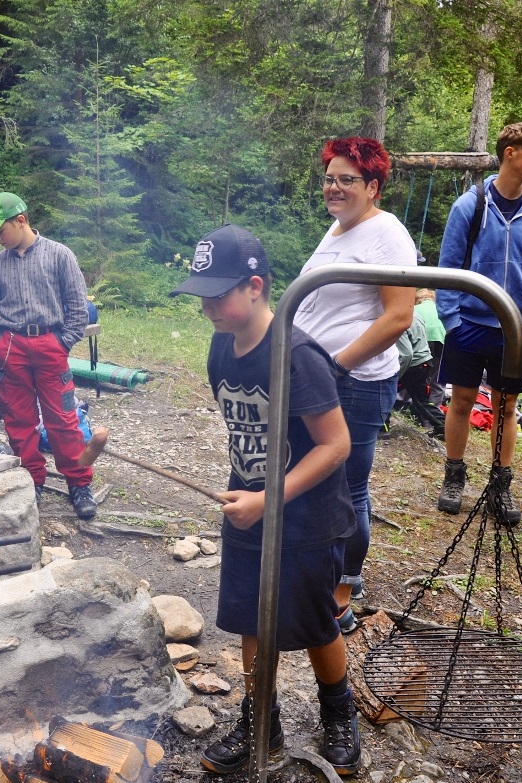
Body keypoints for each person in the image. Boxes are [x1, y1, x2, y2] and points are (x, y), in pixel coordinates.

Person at [169, 224, 360, 776]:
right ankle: (261, 721)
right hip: (251, 510)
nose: (207, 305)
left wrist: (268, 499)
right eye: (202, 292)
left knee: (318, 622)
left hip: (308, 518)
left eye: (218, 293)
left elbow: (336, 444)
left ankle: (338, 712)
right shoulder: (221, 346)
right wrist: (251, 500)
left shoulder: (296, 354)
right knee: (255, 622)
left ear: (255, 287)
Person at [292, 137, 416, 633]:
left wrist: (337, 366)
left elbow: (399, 316)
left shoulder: (386, 235)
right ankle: (319, 577)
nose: (334, 187)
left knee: (349, 491)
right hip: (320, 377)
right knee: (322, 483)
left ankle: (343, 593)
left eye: (347, 180)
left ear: (373, 187)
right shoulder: (340, 228)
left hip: (355, 383)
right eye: (329, 178)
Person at [435, 122, 522, 525]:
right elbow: (448, 267)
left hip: (517, 328)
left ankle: (499, 487)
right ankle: (454, 476)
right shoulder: (470, 206)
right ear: (510, 153)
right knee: (463, 401)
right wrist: (452, 321)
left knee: (506, 408)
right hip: (470, 323)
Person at [0, 192, 96, 519]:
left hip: (50, 345)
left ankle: (79, 483)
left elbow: (77, 308)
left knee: (64, 419)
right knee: (18, 420)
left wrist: (62, 343)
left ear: (21, 220)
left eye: (0, 231)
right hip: (9, 348)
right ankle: (32, 478)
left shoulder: (60, 256)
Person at [414, 288, 446, 405]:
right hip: (440, 342)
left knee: (411, 374)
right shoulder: (440, 308)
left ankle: (403, 404)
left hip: (421, 343)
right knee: (437, 379)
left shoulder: (415, 309)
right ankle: (433, 416)